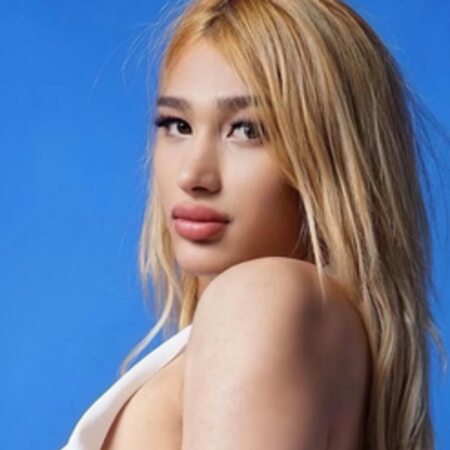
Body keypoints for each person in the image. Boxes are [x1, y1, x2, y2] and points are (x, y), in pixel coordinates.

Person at [61, 1, 446, 449]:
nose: (193, 174)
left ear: (331, 155)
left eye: (247, 130)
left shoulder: (260, 300)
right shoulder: (319, 326)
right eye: (178, 125)